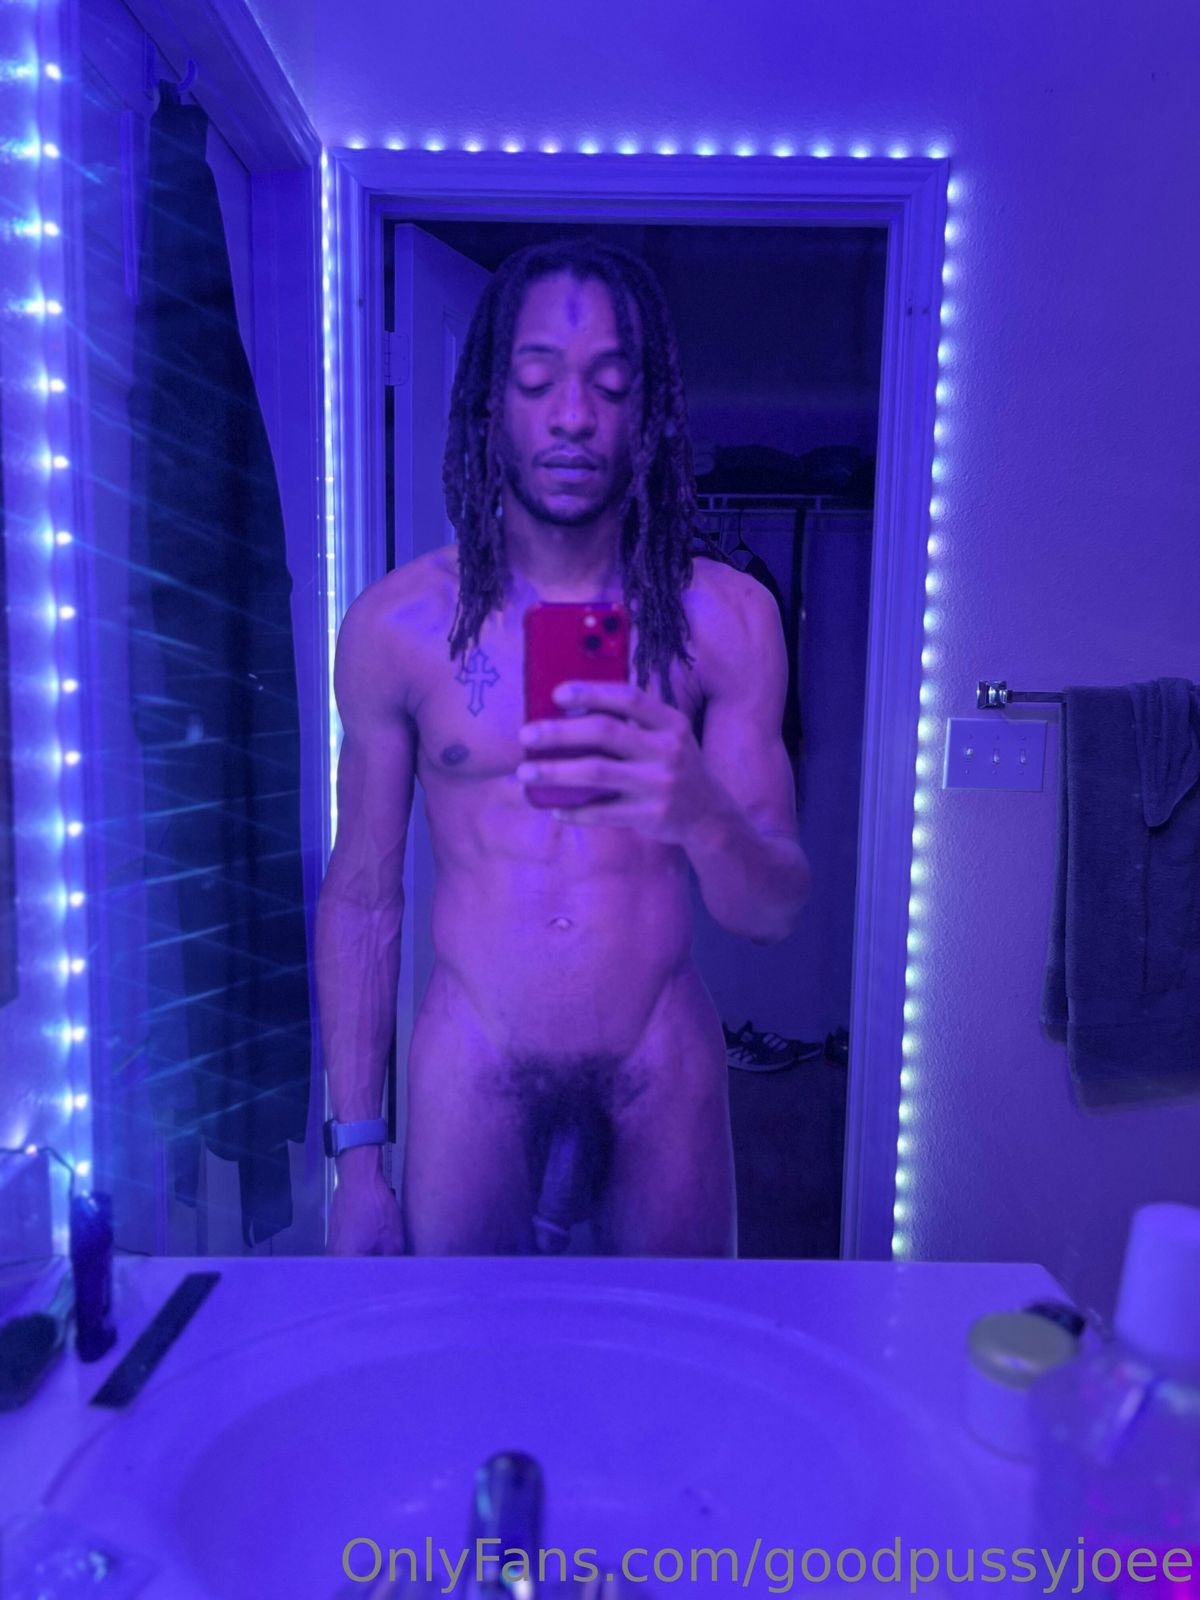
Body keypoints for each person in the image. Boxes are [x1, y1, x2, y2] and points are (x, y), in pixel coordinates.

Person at [318, 237, 810, 1257]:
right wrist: (357, 1159)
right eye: (537, 381)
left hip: (657, 1054)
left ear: (648, 408)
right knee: (466, 1349)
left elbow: (770, 912)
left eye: (610, 383)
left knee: (667, 1344)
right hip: (473, 1055)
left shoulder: (728, 619)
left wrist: (699, 808)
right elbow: (362, 895)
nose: (574, 415)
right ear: (489, 404)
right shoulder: (398, 626)